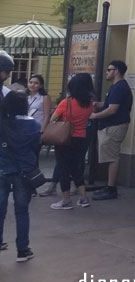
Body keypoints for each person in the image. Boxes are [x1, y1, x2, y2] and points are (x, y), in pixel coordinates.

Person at [0, 91, 41, 262]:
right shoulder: (33, 125)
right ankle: (22, 250)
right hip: (24, 172)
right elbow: (35, 147)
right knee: (22, 211)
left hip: (2, 170)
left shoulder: (2, 123)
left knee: (0, 210)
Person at [49, 73, 94, 211]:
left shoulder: (66, 103)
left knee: (63, 169)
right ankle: (83, 197)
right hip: (81, 138)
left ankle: (66, 200)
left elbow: (53, 119)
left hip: (65, 139)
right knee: (76, 168)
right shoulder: (90, 103)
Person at [90, 60, 133, 201]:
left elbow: (112, 109)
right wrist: (99, 104)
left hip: (114, 126)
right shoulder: (116, 87)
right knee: (109, 156)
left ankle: (111, 188)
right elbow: (110, 104)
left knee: (112, 157)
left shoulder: (119, 87)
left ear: (117, 71)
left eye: (109, 69)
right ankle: (109, 185)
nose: (107, 72)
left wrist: (95, 115)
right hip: (111, 125)